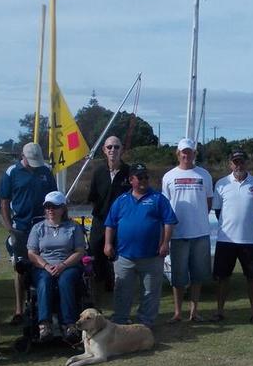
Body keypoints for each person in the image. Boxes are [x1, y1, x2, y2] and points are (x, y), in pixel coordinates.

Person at [104, 163, 177, 327]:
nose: (144, 180)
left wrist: (165, 243)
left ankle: (146, 323)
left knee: (150, 292)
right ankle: (120, 321)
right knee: (122, 291)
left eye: (146, 177)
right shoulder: (121, 200)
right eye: (140, 177)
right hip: (124, 256)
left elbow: (169, 222)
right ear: (131, 180)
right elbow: (110, 224)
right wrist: (108, 244)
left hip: (151, 256)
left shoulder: (158, 198)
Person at [0, 142, 57, 325]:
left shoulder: (45, 171)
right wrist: (10, 228)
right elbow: (4, 202)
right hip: (21, 227)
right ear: (22, 157)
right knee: (20, 267)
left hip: (44, 226)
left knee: (46, 263)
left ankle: (47, 305)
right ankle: (19, 310)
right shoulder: (11, 173)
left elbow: (54, 197)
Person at [212, 148, 253, 322]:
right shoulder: (221, 184)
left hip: (249, 240)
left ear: (246, 162)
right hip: (226, 239)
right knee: (222, 277)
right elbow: (218, 211)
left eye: (241, 161)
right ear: (230, 164)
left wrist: (246, 225)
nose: (239, 165)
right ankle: (220, 312)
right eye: (235, 162)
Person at [161, 138, 213, 323]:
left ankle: (194, 311)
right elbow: (165, 207)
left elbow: (208, 203)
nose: (186, 155)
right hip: (178, 234)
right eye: (183, 152)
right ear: (178, 153)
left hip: (200, 233)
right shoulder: (168, 176)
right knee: (178, 276)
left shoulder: (204, 175)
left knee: (198, 275)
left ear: (194, 153)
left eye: (190, 151)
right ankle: (177, 312)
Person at [26, 191, 86, 340]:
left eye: (54, 207)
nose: (50, 210)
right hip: (43, 266)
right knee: (44, 280)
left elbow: (79, 251)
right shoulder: (38, 228)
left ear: (62, 208)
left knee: (65, 281)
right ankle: (44, 324)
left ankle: (69, 323)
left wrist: (63, 265)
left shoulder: (73, 227)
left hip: (68, 265)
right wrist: (46, 266)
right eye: (47, 207)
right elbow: (32, 253)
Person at [86, 135, 130, 291]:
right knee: (96, 251)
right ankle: (99, 283)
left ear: (121, 150)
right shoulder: (98, 172)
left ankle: (117, 284)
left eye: (116, 147)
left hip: (121, 222)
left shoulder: (129, 172)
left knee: (118, 254)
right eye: (109, 147)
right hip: (100, 220)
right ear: (104, 150)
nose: (113, 150)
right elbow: (92, 196)